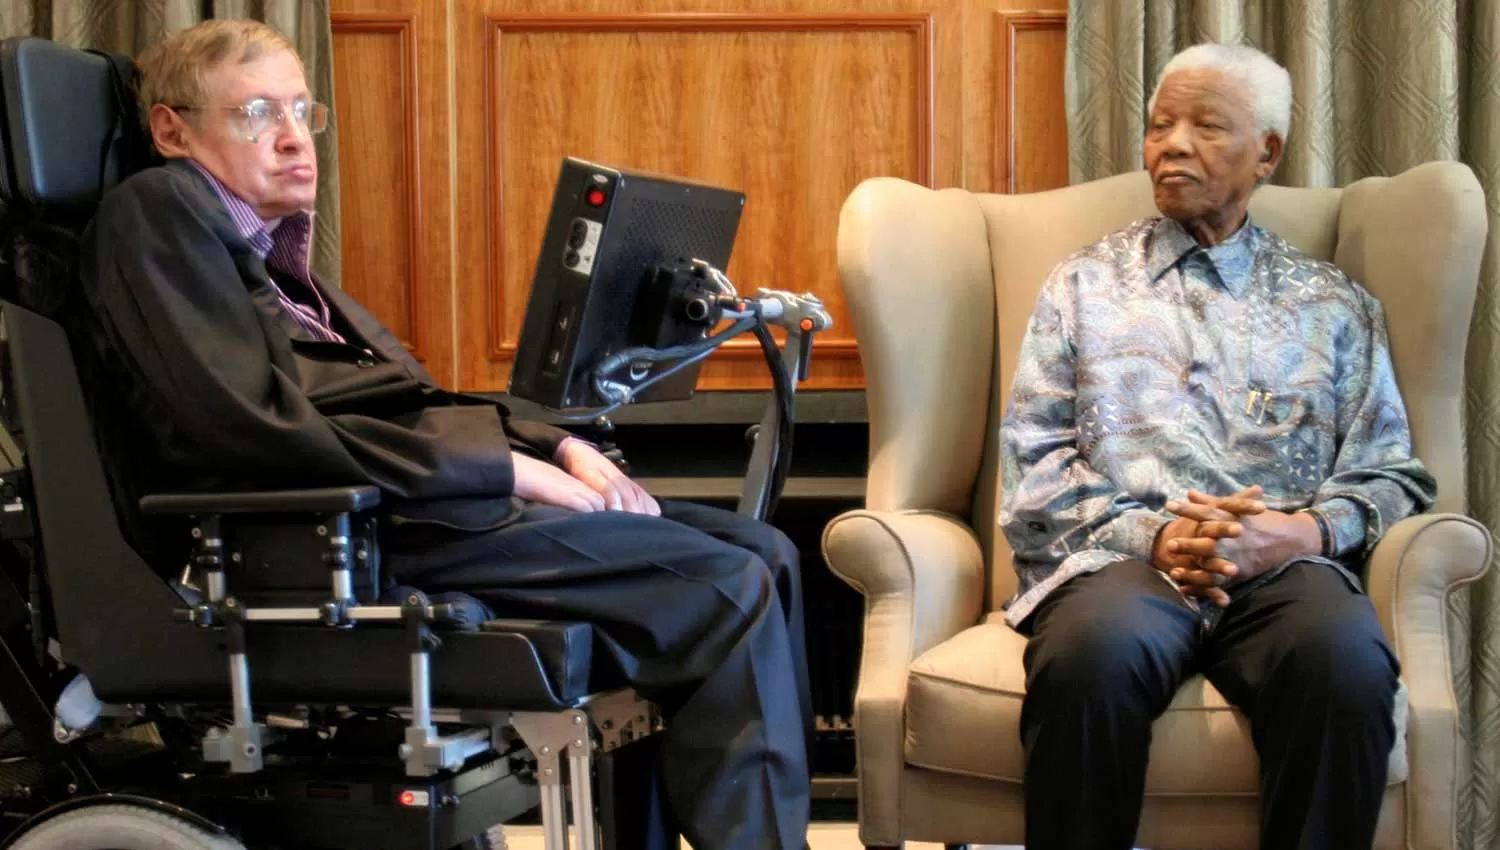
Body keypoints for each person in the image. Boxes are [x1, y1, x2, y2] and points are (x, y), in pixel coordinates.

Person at [71, 19, 812, 850]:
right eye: (254, 115)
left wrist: (549, 445)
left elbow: (407, 398)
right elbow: (247, 425)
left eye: (300, 112)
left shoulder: (280, 268)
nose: (291, 141)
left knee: (766, 554)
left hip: (426, 509)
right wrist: (504, 471)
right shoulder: (157, 211)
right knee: (727, 591)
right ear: (171, 130)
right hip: (342, 535)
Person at [999, 42, 1436, 850]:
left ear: (1266, 151)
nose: (1171, 144)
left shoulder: (1330, 303)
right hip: (1121, 565)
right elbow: (1035, 463)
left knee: (1345, 666)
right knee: (1090, 660)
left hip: (1281, 569)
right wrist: (1162, 537)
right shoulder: (1082, 286)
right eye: (1160, 124)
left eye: (1206, 126)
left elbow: (1389, 470)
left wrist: (1296, 533)